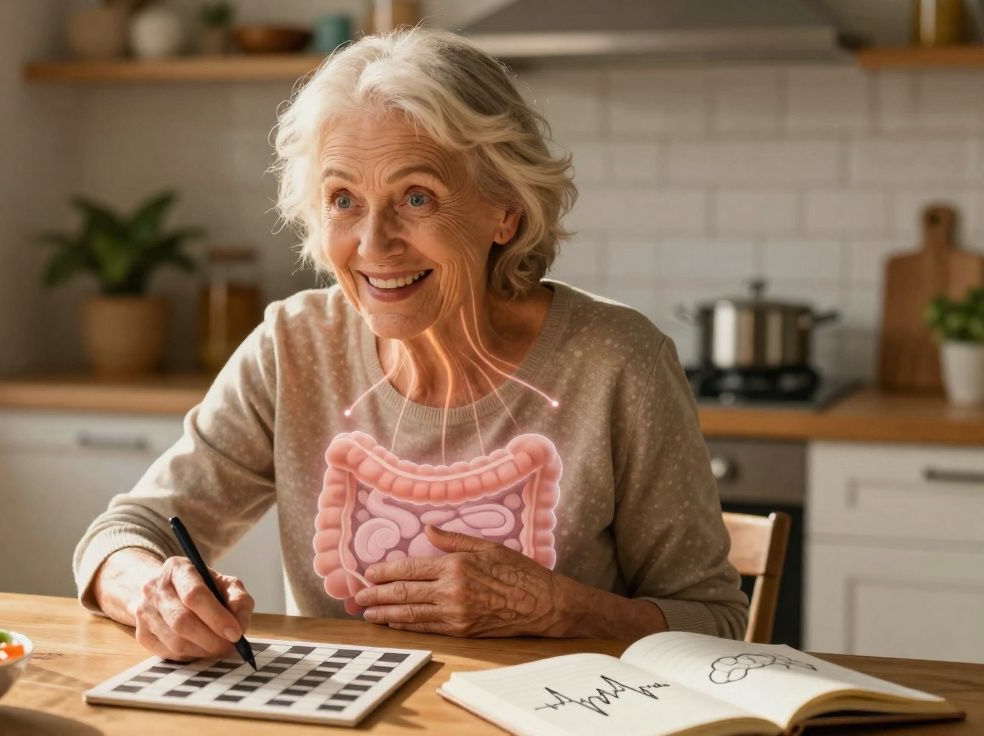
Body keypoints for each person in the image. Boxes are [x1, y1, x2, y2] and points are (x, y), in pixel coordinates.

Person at [73, 27, 747, 662]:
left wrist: (555, 608)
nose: (373, 244)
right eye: (343, 200)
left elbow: (714, 620)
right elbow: (121, 536)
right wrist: (153, 592)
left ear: (504, 210)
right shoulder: (295, 346)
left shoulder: (618, 361)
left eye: (416, 197)